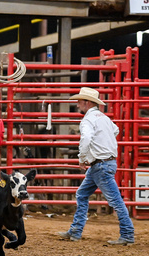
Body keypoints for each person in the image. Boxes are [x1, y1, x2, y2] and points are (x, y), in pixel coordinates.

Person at [57, 87, 134, 245]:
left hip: (100, 165)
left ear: (86, 103)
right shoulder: (104, 118)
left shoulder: (87, 120)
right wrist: (103, 145)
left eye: (79, 102)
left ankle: (127, 234)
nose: (78, 105)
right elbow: (116, 130)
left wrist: (82, 158)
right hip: (103, 164)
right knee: (82, 194)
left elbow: (86, 138)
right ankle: (75, 231)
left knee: (115, 201)